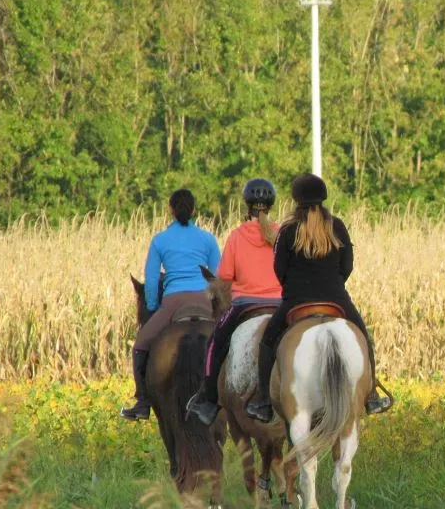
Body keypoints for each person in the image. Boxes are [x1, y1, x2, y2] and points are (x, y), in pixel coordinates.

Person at [245, 172, 392, 423]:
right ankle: (371, 396)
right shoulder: (338, 226)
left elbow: (279, 269)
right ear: (323, 197)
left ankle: (263, 400)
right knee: (364, 339)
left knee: (268, 342)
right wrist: (333, 285)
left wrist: (293, 288)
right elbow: (347, 266)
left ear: (296, 199)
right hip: (335, 297)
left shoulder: (288, 230)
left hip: (296, 300)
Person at [186, 178, 282, 426]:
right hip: (281, 304)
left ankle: (207, 401)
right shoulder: (281, 233)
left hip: (244, 304)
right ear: (270, 206)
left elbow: (226, 276)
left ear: (247, 205)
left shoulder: (237, 236)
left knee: (215, 343)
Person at [120, 188, 221, 420]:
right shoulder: (207, 239)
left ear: (171, 210)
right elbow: (218, 276)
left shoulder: (160, 240)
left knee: (141, 345)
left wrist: (155, 306)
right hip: (205, 300)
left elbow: (153, 279)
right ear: (193, 210)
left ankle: (143, 402)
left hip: (173, 302)